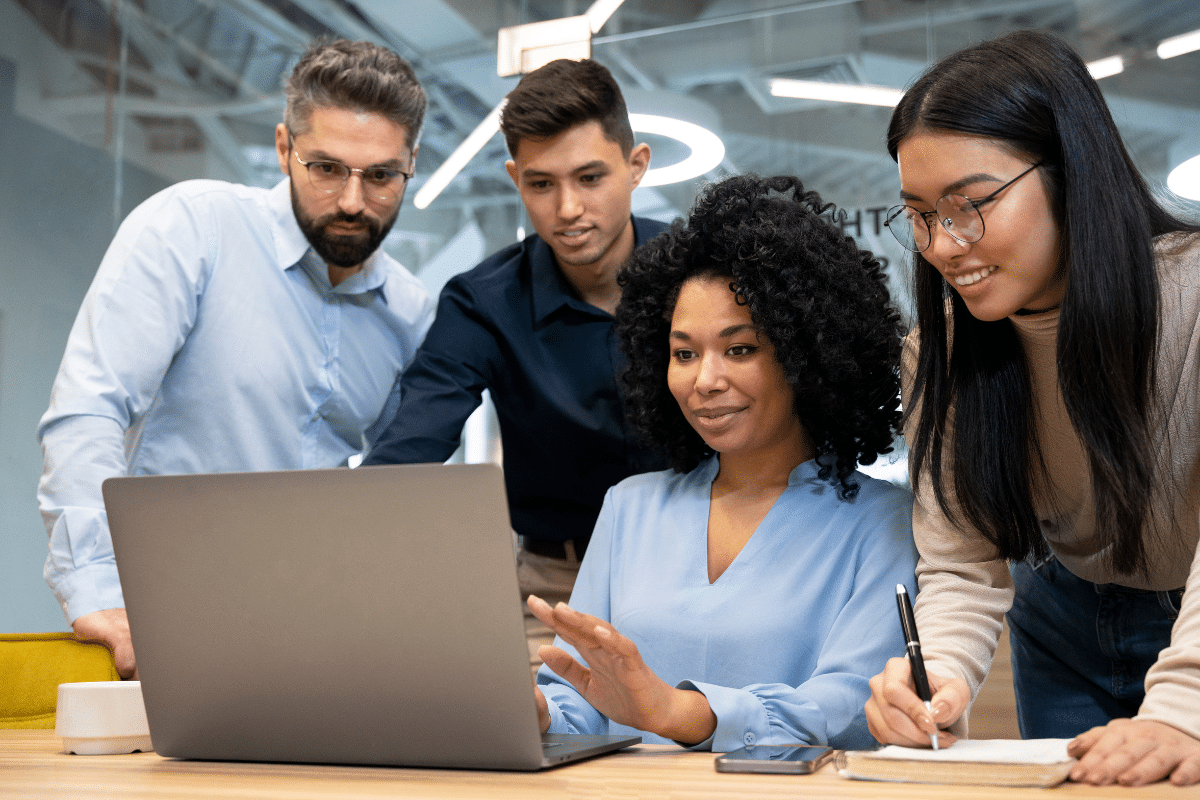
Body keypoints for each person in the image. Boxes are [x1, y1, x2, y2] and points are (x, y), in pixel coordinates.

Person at [862, 29, 1200, 787]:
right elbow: (962, 563)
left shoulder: (1193, 304)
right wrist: (935, 679)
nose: (944, 245)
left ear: (1072, 173)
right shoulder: (941, 349)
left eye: (971, 204)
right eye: (918, 214)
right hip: (1061, 620)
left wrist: (1185, 705)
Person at [37, 39, 435, 679]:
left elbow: (387, 496)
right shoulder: (192, 229)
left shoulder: (409, 312)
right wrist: (99, 592)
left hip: (319, 633)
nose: (353, 201)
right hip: (162, 619)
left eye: (381, 175)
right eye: (326, 168)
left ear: (411, 164)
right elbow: (89, 410)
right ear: (284, 149)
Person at [528, 174, 917, 750]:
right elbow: (578, 699)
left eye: (740, 349)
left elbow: (851, 708)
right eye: (684, 353)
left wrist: (681, 712)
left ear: (808, 355)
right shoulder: (630, 507)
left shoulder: (882, 521)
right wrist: (533, 711)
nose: (705, 380)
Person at [363, 58, 668, 668]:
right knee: (526, 742)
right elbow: (409, 448)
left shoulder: (708, 271)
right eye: (541, 184)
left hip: (705, 573)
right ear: (514, 178)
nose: (568, 209)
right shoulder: (484, 302)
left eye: (589, 178)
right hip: (555, 594)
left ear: (636, 167)